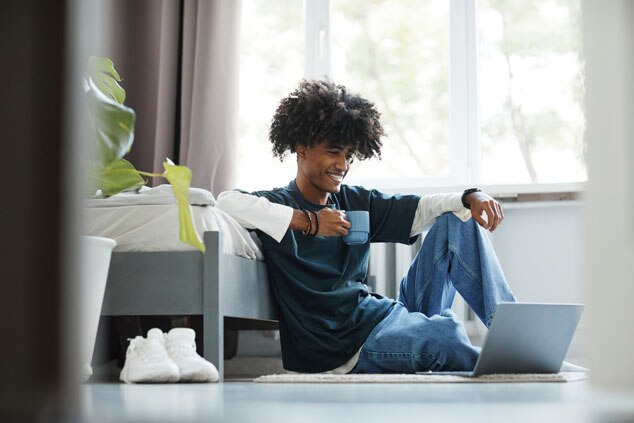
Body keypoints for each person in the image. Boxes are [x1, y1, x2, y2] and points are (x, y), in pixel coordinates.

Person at [216, 79, 516, 374]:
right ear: (302, 149)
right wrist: (308, 222)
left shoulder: (353, 199)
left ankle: (516, 343)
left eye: (348, 156)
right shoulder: (277, 203)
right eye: (333, 152)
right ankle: (501, 364)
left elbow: (420, 208)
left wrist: (469, 196)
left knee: (458, 219)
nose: (343, 165)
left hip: (381, 319)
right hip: (341, 347)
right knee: (445, 337)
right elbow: (226, 203)